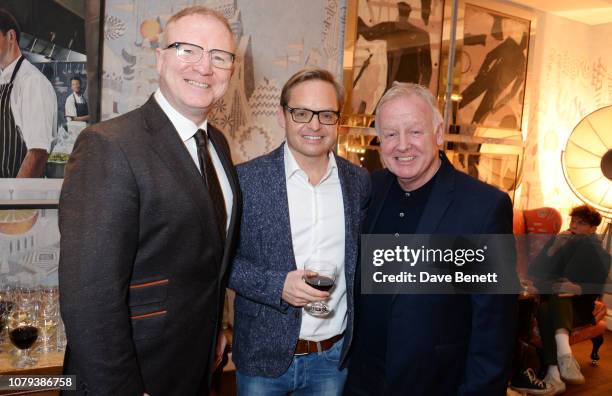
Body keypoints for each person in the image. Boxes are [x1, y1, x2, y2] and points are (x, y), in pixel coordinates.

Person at [58, 6, 241, 395]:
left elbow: (205, 264)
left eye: (219, 56)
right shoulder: (109, 145)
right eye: (187, 50)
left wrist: (217, 330)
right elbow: (90, 300)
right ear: (160, 59)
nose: (204, 67)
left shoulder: (218, 145)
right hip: (131, 377)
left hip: (193, 369)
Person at [345, 82, 517, 395]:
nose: (402, 145)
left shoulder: (484, 207)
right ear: (379, 141)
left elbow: (495, 327)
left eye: (415, 131)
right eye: (391, 134)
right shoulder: (370, 188)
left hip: (436, 384)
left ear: (438, 134)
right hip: (361, 381)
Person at [228, 68, 370, 395]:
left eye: (326, 114)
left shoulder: (359, 182)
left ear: (339, 119)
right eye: (302, 113)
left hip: (332, 360)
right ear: (282, 116)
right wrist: (277, 285)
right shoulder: (246, 181)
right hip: (263, 360)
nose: (314, 125)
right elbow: (223, 263)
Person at [529, 205, 611, 394]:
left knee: (555, 297)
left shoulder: (598, 251)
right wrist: (554, 248)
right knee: (550, 302)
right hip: (552, 300)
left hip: (579, 310)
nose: (574, 225)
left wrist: (579, 288)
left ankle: (554, 373)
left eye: (581, 223)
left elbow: (599, 285)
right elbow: (535, 271)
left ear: (593, 229)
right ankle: (561, 364)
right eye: (573, 221)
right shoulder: (560, 241)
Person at [0, 8, 57, 178]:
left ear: (11, 36)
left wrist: (14, 202)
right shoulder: (3, 78)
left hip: (14, 199)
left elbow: (38, 154)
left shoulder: (32, 82)